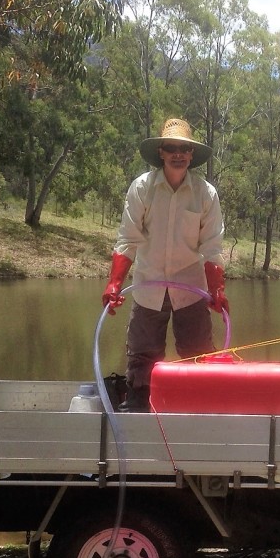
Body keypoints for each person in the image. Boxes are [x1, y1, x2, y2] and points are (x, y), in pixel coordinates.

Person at [102, 118, 229, 412]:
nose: (178, 154)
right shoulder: (142, 188)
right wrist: (114, 285)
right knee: (142, 358)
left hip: (191, 291)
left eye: (184, 148)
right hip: (148, 288)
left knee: (197, 357)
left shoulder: (206, 193)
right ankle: (139, 413)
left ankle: (196, 415)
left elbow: (212, 247)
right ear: (161, 152)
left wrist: (217, 290)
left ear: (191, 154)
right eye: (171, 147)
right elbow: (127, 240)